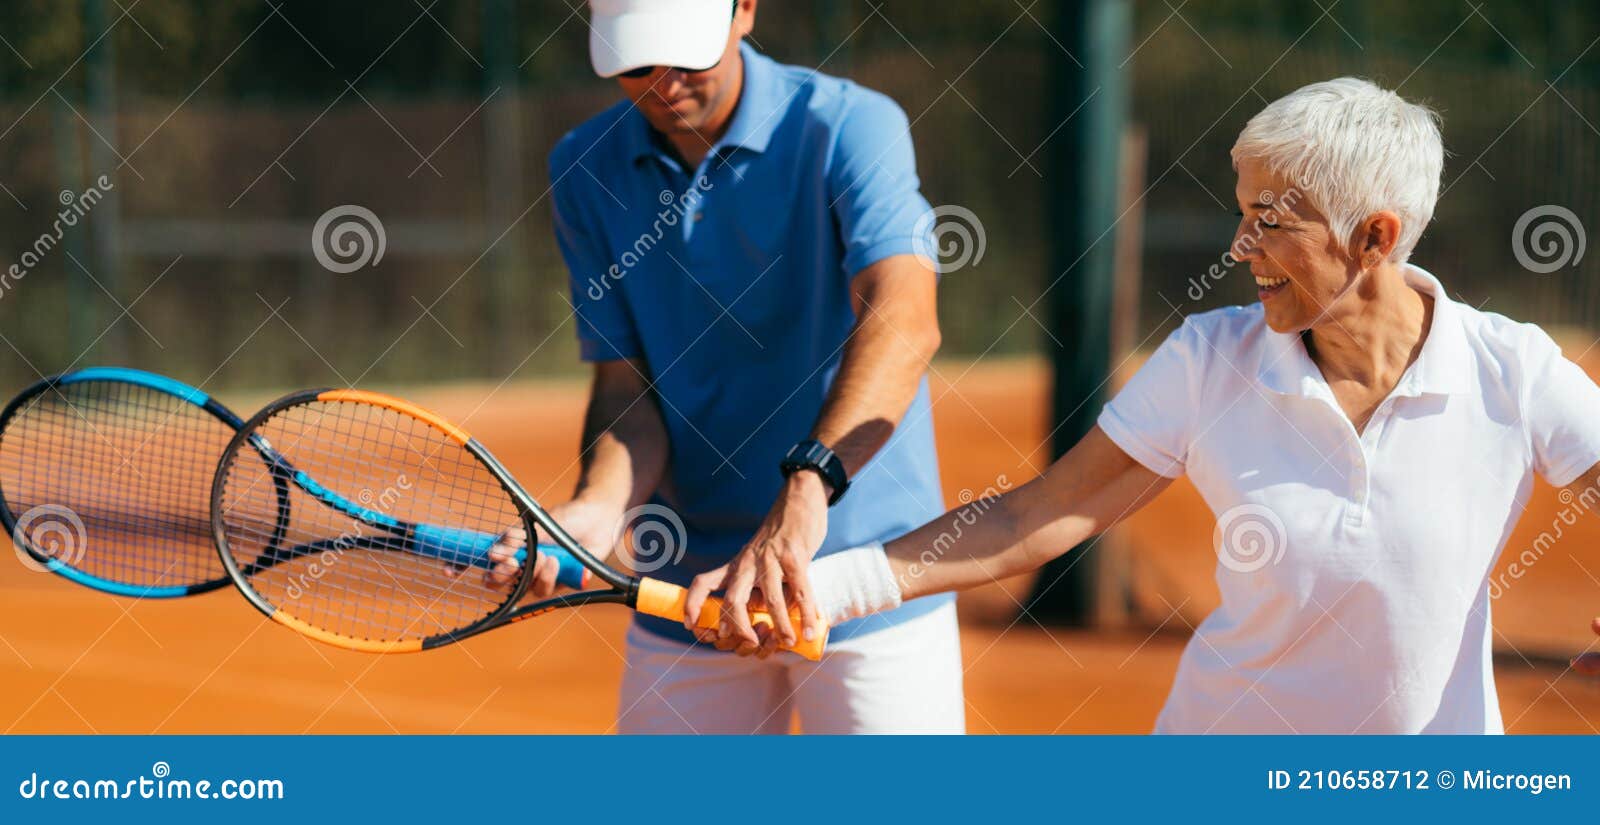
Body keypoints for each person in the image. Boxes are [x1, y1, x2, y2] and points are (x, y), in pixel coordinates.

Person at [794, 77, 1600, 733]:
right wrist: (823, 590)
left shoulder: (1512, 371)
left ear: (1374, 238)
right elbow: (1033, 514)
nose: (1241, 246)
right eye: (1243, 212)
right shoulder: (1208, 360)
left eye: (1270, 220)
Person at [535, 0, 962, 733]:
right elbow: (627, 391)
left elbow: (906, 321)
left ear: (744, 11)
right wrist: (596, 510)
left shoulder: (849, 125)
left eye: (686, 56)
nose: (664, 83)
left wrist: (807, 491)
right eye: (637, 63)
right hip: (686, 593)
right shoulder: (583, 168)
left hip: (865, 579)